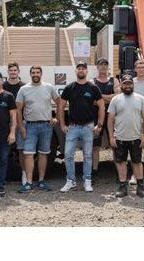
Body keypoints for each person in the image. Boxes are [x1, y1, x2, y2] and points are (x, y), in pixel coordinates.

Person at [58, 61, 104, 192]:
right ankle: (70, 181)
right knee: (68, 155)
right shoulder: (69, 87)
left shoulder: (93, 87)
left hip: (88, 127)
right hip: (72, 127)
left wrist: (99, 125)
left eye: (83, 69)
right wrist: (62, 125)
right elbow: (60, 107)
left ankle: (87, 181)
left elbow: (101, 106)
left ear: (87, 72)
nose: (81, 71)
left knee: (87, 156)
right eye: (79, 69)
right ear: (75, 71)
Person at [16, 65, 61, 192]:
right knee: (28, 154)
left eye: (37, 72)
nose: (35, 74)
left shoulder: (48, 87)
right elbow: (18, 109)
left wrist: (56, 118)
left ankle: (41, 181)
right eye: (33, 72)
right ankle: (29, 183)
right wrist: (20, 126)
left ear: (41, 73)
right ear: (30, 74)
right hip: (30, 125)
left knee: (43, 153)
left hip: (46, 125)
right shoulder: (24, 89)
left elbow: (59, 102)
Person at [107, 74, 144, 198]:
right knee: (121, 162)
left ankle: (140, 186)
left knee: (137, 162)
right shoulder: (116, 99)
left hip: (136, 137)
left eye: (129, 83)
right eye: (125, 83)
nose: (127, 86)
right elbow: (110, 119)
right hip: (120, 138)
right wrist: (111, 137)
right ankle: (122, 186)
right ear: (121, 85)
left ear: (133, 84)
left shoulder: (140, 99)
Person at [90, 57, 120, 183]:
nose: (103, 67)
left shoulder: (114, 80)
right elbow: (91, 100)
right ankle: (94, 172)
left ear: (108, 67)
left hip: (112, 116)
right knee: (95, 147)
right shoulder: (92, 81)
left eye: (105, 65)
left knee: (115, 145)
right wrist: (109, 98)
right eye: (101, 65)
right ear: (97, 67)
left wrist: (100, 98)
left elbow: (118, 97)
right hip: (96, 116)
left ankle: (120, 172)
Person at [2, 62, 27, 185]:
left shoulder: (24, 87)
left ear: (18, 72)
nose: (12, 72)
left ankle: (24, 175)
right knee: (3, 151)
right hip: (6, 124)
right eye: (10, 70)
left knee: (21, 150)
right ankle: (1, 176)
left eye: (14, 70)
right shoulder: (3, 87)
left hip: (21, 123)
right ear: (8, 72)